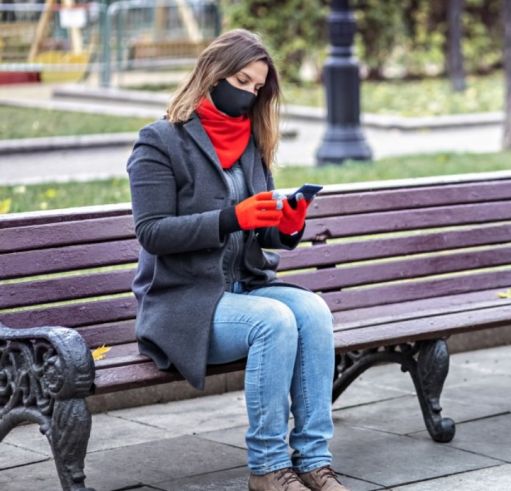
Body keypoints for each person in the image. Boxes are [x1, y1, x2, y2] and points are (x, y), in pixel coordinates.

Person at [127, 29, 347, 491]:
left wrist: (286, 225)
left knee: (314, 312)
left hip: (245, 286)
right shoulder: (160, 141)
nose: (248, 93)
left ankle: (313, 459)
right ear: (213, 73)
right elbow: (151, 233)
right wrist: (231, 217)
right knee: (274, 321)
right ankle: (266, 468)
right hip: (185, 303)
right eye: (241, 80)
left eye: (256, 87)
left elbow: (259, 229)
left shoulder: (250, 143)